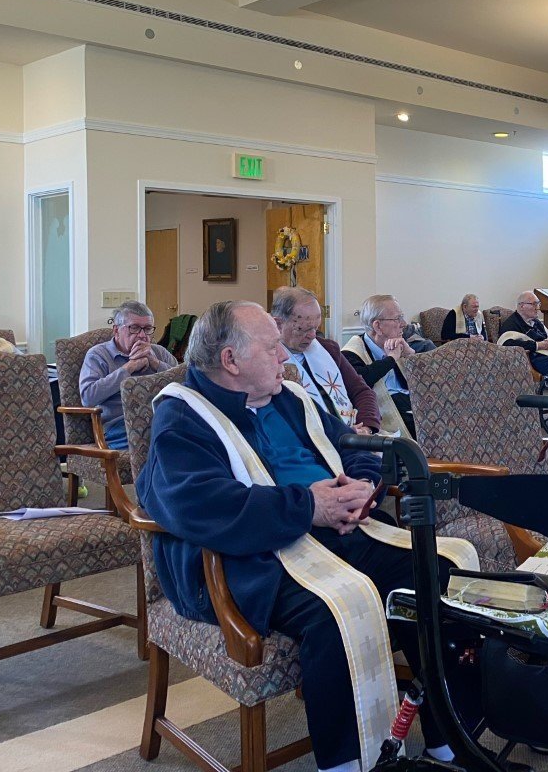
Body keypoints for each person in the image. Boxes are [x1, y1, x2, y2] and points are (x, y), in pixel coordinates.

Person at [137, 300, 478, 772]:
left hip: (333, 532)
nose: (285, 356)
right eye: (273, 346)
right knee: (336, 611)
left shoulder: (288, 397)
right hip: (249, 559)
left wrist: (361, 488)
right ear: (231, 361)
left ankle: (451, 740)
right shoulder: (184, 416)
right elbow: (197, 504)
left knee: (440, 570)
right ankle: (350, 764)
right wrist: (310, 506)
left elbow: (351, 445)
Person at [272, 286, 379, 434]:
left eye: (315, 328)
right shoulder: (268, 360)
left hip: (355, 434)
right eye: (303, 329)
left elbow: (361, 391)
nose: (312, 336)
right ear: (278, 324)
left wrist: (366, 428)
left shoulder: (328, 349)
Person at [79, 300, 177, 450]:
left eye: (148, 328)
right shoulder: (98, 355)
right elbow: (88, 397)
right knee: (165, 440)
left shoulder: (159, 352)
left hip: (161, 419)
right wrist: (128, 368)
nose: (142, 336)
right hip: (119, 426)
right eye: (135, 328)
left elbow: (183, 386)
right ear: (116, 330)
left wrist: (155, 363)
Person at [342, 295, 417, 437]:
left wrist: (410, 355)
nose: (404, 323)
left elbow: (429, 382)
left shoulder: (399, 344)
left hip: (410, 403)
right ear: (377, 326)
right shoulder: (351, 353)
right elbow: (362, 380)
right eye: (397, 318)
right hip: (387, 414)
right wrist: (391, 359)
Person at [496, 291, 548, 375]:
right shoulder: (511, 324)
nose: (538, 308)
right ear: (522, 306)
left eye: (538, 304)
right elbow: (506, 345)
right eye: (534, 304)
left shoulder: (536, 322)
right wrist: (537, 345)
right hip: (532, 360)